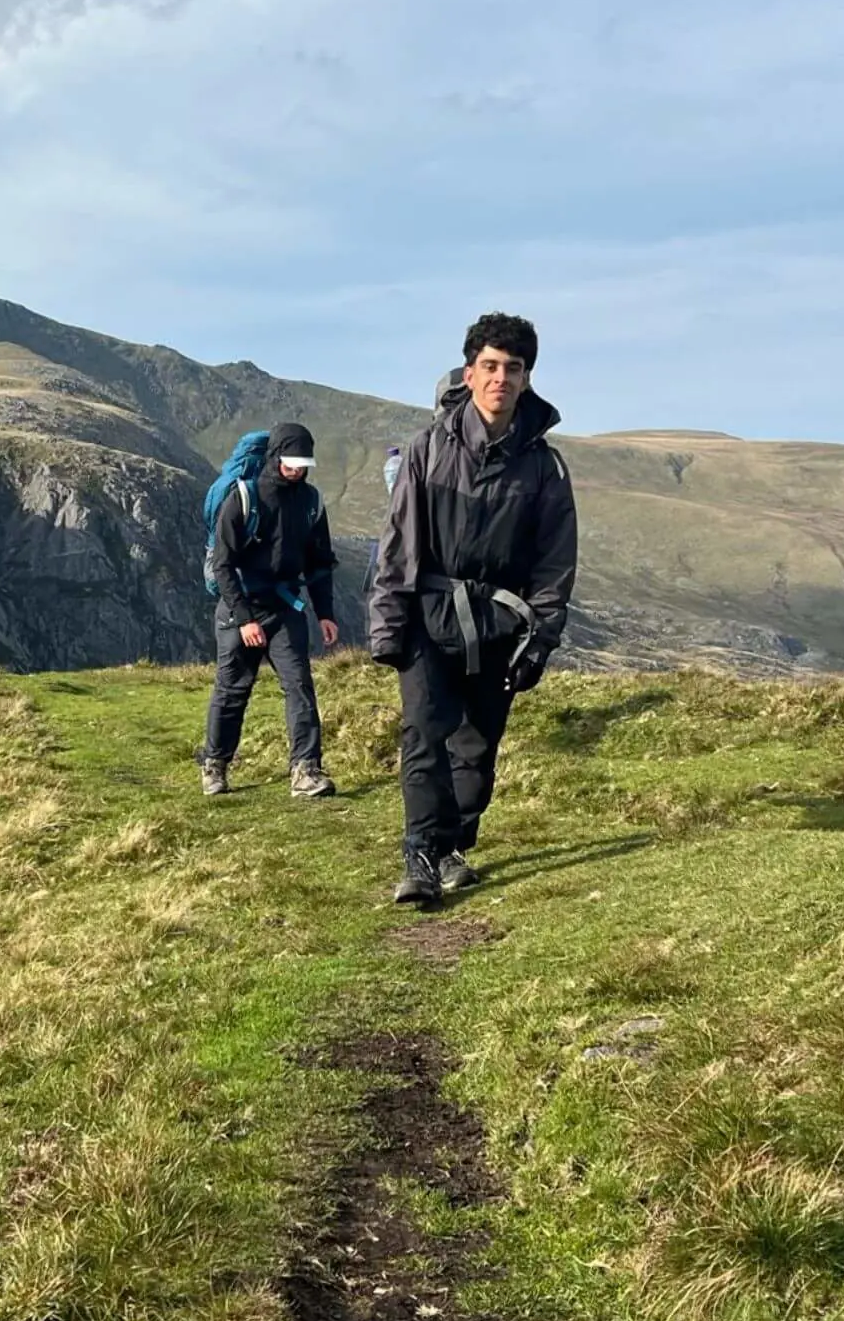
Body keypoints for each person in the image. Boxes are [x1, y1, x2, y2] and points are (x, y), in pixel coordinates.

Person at [369, 312, 577, 903]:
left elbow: (555, 561)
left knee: (477, 747)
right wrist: (388, 626)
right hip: (429, 618)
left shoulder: (545, 467)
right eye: (490, 366)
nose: (501, 379)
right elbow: (399, 542)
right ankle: (418, 854)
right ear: (470, 372)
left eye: (513, 368)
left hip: (502, 625)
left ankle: (453, 845)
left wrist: (541, 638)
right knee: (423, 734)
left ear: (527, 378)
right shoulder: (427, 450)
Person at [200, 422, 341, 798]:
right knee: (232, 690)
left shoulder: (311, 502)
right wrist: (244, 619)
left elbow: (319, 562)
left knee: (299, 687)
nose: (297, 470)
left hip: (285, 608)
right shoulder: (243, 498)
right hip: (239, 608)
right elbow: (223, 566)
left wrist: (325, 612)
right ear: (276, 457)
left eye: (302, 464)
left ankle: (306, 771)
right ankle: (215, 766)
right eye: (291, 462)